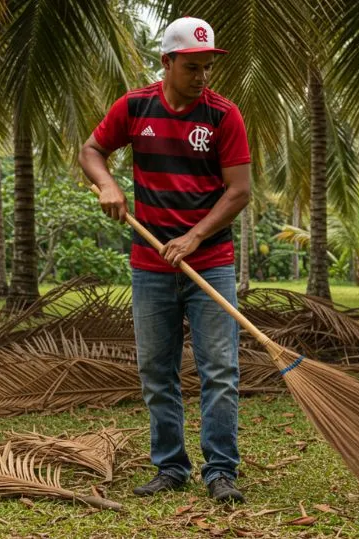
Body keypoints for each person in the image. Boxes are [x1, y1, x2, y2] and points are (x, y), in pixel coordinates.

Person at [79, 16, 251, 503]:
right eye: (192, 67)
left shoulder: (223, 116)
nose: (202, 77)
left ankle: (221, 471)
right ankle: (171, 467)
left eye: (207, 67)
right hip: (151, 265)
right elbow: (91, 150)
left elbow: (239, 191)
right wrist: (107, 184)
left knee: (220, 371)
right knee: (157, 371)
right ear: (167, 62)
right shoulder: (135, 107)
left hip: (210, 262)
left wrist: (194, 238)